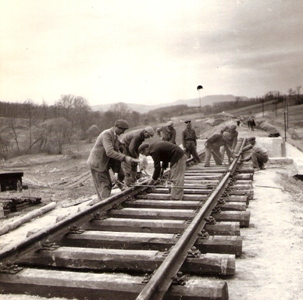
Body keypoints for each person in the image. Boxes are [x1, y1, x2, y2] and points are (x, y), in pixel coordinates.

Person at [87, 119, 140, 203]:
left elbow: (117, 150)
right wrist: (125, 158)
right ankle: (103, 206)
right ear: (116, 127)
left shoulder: (114, 136)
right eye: (122, 130)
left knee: (109, 184)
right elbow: (110, 152)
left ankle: (105, 202)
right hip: (97, 163)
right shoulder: (107, 134)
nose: (123, 133)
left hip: (103, 163)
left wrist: (127, 159)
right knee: (104, 185)